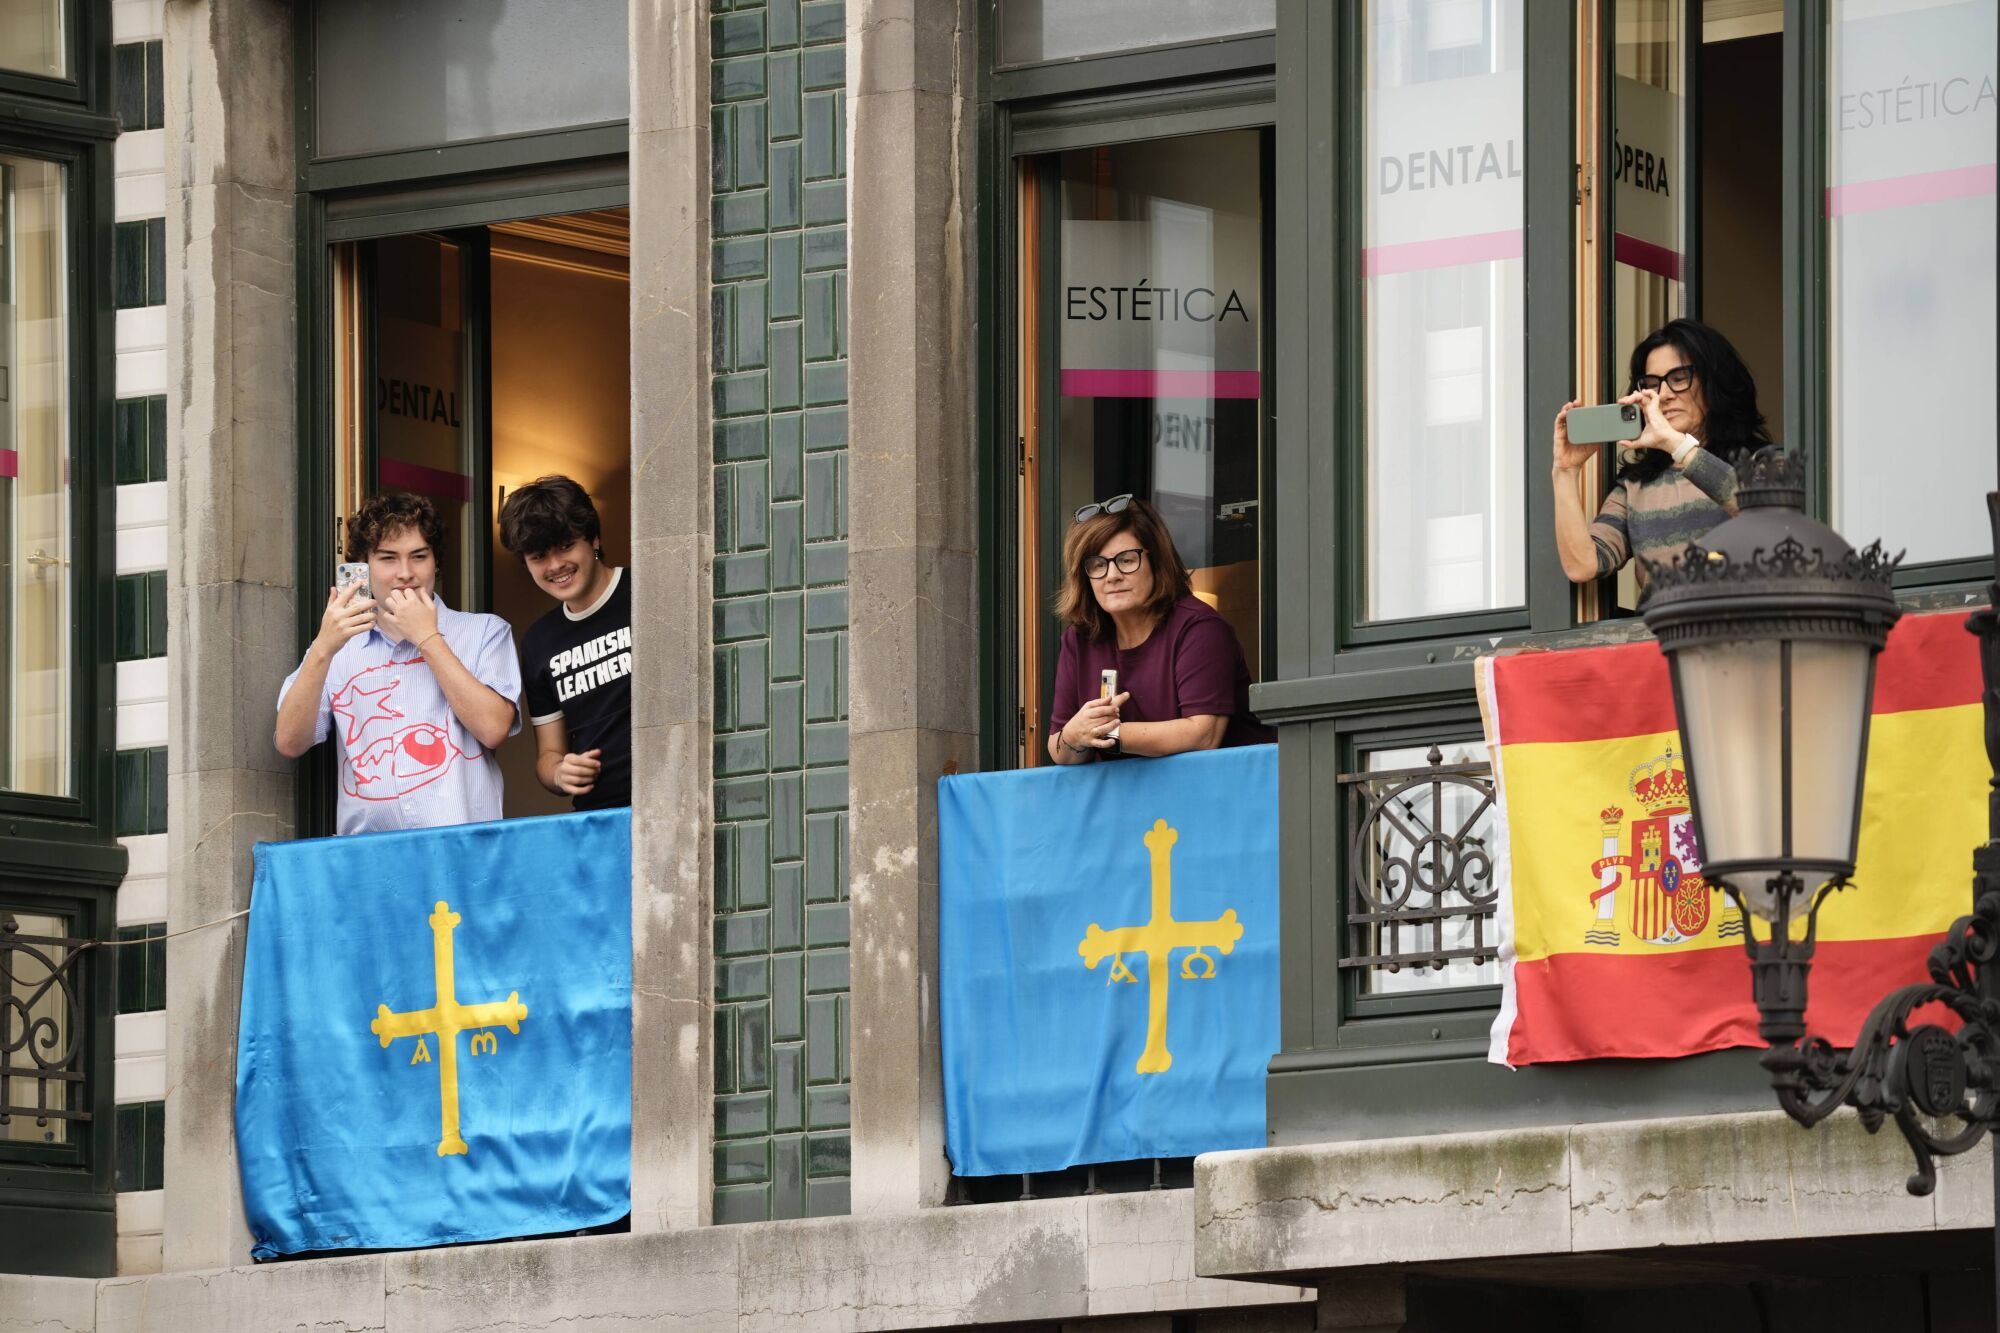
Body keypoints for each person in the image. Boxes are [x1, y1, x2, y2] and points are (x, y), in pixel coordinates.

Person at [276, 492, 522, 834]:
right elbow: (289, 741)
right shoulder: (337, 648)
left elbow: (494, 729)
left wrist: (427, 638)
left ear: (436, 561)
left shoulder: (484, 632)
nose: (405, 573)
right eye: (388, 558)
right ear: (363, 566)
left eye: (418, 556)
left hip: (465, 851)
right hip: (370, 859)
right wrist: (322, 648)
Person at [1047, 494, 1274, 764]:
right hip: (1134, 802)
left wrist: (1106, 734)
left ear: (1156, 561)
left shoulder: (1199, 628)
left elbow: (1203, 735)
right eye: (1097, 565)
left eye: (1127, 560)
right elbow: (1059, 746)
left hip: (1227, 797)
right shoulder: (1079, 639)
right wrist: (1073, 736)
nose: (1112, 575)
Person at [1552, 317, 1773, 586]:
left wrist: (1676, 444)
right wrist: (1564, 470)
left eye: (1679, 378)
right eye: (1652, 384)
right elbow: (1583, 566)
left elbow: (1772, 513)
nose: (1664, 394)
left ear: (1715, 382)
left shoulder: (1763, 461)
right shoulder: (1635, 488)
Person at [499, 476, 632, 810]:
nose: (556, 565)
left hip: (679, 801)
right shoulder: (538, 641)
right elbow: (548, 755)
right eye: (539, 556)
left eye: (565, 546)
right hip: (600, 816)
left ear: (593, 538)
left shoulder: (644, 590)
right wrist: (560, 773)